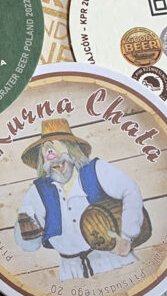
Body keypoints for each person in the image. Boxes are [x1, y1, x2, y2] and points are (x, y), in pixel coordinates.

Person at [14, 119, 142, 280]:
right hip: (71, 272)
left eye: (60, 147)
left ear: (72, 150)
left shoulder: (96, 170)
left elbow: (130, 191)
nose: (54, 157)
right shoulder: (38, 190)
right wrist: (27, 222)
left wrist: (127, 235)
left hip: (113, 260)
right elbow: (29, 245)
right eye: (48, 151)